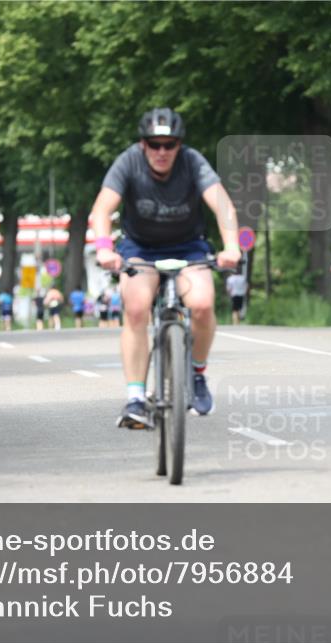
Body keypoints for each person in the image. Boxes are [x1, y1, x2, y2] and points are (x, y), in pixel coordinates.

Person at [90, 108, 240, 428]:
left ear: (179, 145)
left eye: (169, 145)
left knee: (201, 304)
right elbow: (102, 209)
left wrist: (232, 247)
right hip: (140, 249)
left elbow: (222, 204)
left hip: (188, 246)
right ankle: (135, 398)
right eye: (154, 144)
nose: (162, 152)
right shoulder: (128, 162)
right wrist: (104, 249)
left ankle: (197, 374)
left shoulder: (192, 162)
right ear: (143, 144)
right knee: (136, 308)